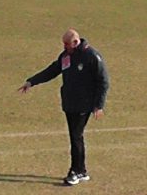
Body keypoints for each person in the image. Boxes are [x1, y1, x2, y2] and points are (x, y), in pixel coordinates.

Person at [18, 28, 109, 187]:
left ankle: (75, 172)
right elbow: (52, 70)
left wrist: (98, 105)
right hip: (69, 103)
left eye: (67, 44)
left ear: (76, 42)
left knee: (76, 136)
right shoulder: (66, 56)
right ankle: (82, 171)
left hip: (84, 104)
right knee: (76, 137)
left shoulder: (91, 56)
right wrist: (32, 81)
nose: (64, 46)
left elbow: (103, 81)